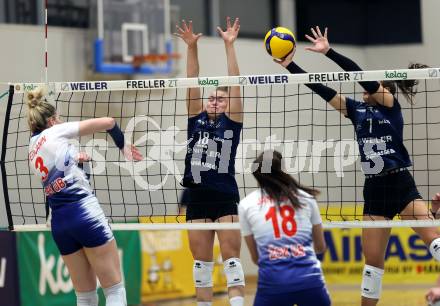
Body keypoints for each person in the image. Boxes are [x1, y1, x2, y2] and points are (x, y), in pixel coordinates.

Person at [274, 26, 440, 306]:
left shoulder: (390, 105)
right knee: (372, 264)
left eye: (372, 86)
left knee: (434, 241)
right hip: (374, 190)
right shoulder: (355, 110)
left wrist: (329, 52)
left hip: (400, 184)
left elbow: (358, 74)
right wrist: (291, 66)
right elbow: (321, 89)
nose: (366, 91)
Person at [26, 86, 143, 306]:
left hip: (60, 223)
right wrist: (122, 145)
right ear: (51, 120)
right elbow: (109, 122)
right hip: (84, 214)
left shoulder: (32, 148)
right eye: (58, 118)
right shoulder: (56, 131)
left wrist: (77, 159)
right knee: (115, 290)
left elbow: (60, 172)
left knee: (85, 296)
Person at [174, 17, 245, 306]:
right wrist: (192, 48)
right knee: (201, 271)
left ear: (227, 104)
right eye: (211, 98)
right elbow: (192, 82)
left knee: (233, 267)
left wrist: (230, 46)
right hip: (198, 200)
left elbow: (235, 83)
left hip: (226, 198)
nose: (215, 101)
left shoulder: (233, 122)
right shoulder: (195, 119)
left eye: (220, 98)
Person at [239, 150, 330, 306]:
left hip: (273, 287)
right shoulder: (306, 198)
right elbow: (320, 247)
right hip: (310, 283)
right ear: (283, 171)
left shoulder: (246, 205)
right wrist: (297, 253)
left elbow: (256, 259)